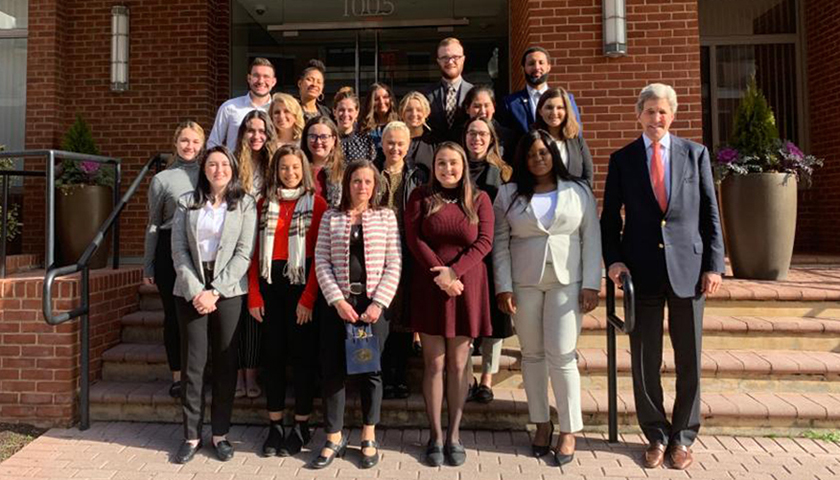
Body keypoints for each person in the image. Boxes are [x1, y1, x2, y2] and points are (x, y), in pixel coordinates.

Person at [600, 83, 725, 471]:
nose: (657, 118)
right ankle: (655, 434)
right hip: (640, 271)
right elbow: (609, 220)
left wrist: (714, 264)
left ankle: (683, 438)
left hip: (689, 270)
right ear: (638, 115)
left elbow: (710, 212)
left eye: (663, 112)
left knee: (689, 357)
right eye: (650, 111)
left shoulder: (695, 154)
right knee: (644, 358)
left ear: (673, 115)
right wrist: (614, 262)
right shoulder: (622, 159)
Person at [492, 129, 601, 467]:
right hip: (524, 283)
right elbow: (500, 244)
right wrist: (503, 286)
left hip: (567, 283)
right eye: (532, 154)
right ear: (523, 160)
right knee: (533, 355)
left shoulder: (578, 190)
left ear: (554, 154)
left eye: (544, 152)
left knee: (563, 355)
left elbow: (591, 238)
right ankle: (541, 422)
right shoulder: (508, 194)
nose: (538, 159)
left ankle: (569, 429)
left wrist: (591, 284)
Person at [404, 142, 494, 467]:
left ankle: (454, 434)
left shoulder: (479, 199)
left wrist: (455, 272)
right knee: (435, 365)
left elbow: (485, 241)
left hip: (466, 288)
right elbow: (414, 239)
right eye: (441, 163)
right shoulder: (420, 197)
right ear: (434, 167)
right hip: (430, 287)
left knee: (459, 365)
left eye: (453, 163)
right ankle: (435, 435)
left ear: (462, 166)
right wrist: (441, 276)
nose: (447, 169)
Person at [170, 145, 257, 464]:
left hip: (229, 290)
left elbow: (245, 253)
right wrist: (197, 290)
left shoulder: (245, 203)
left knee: (225, 363)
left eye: (224, 164)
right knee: (193, 366)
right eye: (212, 164)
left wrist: (215, 291)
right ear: (203, 169)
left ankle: (220, 433)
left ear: (233, 168)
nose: (219, 169)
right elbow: (178, 251)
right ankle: (191, 435)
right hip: (190, 287)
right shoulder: (186, 203)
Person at [313, 160, 402, 470]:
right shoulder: (331, 217)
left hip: (372, 306)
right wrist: (338, 301)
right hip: (339, 305)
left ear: (375, 186)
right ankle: (334, 436)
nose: (362, 187)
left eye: (367, 182)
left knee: (370, 371)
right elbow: (321, 261)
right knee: (333, 370)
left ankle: (368, 433)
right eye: (356, 181)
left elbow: (395, 262)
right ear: (347, 184)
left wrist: (378, 303)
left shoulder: (386, 217)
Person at [248, 145, 327, 458]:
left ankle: (302, 424)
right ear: (275, 171)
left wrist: (308, 298)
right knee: (273, 357)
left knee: (303, 359)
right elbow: (254, 253)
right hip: (269, 286)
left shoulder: (317, 204)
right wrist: (253, 294)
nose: (289, 173)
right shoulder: (262, 204)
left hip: (302, 287)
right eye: (283, 168)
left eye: (295, 168)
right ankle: (275, 425)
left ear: (303, 170)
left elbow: (320, 256)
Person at [143, 121, 205, 400]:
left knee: (199, 314)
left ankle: (201, 373)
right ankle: (178, 376)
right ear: (175, 143)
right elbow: (154, 224)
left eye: (195, 141)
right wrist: (148, 264)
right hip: (169, 249)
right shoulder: (162, 179)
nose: (189, 146)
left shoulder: (208, 173)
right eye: (184, 141)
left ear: (202, 144)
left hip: (202, 249)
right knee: (173, 316)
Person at [460, 116, 513, 404]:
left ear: (491, 138)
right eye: (471, 133)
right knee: (467, 316)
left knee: (495, 319)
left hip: (495, 254)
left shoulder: (503, 173)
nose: (476, 138)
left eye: (482, 134)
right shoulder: (457, 168)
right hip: (466, 254)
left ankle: (487, 380)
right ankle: (467, 377)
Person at [375, 121, 429, 400]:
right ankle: (382, 375)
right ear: (382, 144)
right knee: (383, 315)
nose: (395, 148)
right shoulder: (372, 172)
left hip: (408, 253)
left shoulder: (418, 176)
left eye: (400, 143)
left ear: (408, 147)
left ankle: (400, 375)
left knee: (404, 318)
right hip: (377, 253)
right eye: (390, 142)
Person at [232, 109, 277, 398]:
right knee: (238, 310)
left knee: (257, 313)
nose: (257, 136)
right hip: (237, 242)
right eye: (251, 130)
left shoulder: (275, 164)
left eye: (262, 131)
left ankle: (252, 372)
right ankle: (238, 375)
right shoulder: (234, 164)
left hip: (268, 242)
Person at [499, 46, 580, 137]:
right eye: (531, 63)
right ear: (523, 69)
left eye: (541, 63)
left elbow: (576, 134)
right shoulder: (510, 103)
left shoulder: (566, 99)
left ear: (548, 67)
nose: (537, 67)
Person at [208, 58, 277, 150]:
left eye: (266, 77)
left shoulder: (278, 111)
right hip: (236, 164)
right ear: (249, 78)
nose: (261, 81)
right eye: (256, 76)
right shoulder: (229, 108)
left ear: (273, 81)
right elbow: (214, 143)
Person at [533, 87, 594, 186]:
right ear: (540, 111)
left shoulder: (577, 141)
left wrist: (583, 197)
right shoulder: (531, 141)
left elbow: (588, 176)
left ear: (567, 111)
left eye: (560, 107)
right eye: (549, 107)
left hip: (573, 198)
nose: (554, 112)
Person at [425, 38, 473, 142]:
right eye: (444, 58)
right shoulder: (426, 94)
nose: (450, 62)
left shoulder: (474, 93)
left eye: (455, 57)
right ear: (438, 61)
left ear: (463, 59)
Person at [462, 85, 518, 165]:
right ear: (467, 108)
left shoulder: (507, 137)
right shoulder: (458, 134)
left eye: (486, 105)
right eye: (477, 106)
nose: (482, 111)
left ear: (494, 108)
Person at [301, 116, 345, 208]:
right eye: (313, 136)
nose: (318, 141)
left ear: (333, 140)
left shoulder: (345, 171)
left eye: (324, 137)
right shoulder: (298, 170)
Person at [334, 87, 376, 162]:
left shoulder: (366, 140)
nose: (345, 114)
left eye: (350, 110)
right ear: (334, 112)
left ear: (356, 113)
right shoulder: (328, 139)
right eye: (341, 110)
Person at [399, 91, 436, 172]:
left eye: (419, 110)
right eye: (409, 110)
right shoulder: (395, 139)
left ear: (426, 113)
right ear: (402, 113)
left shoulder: (435, 142)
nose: (414, 114)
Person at [359, 83, 399, 157]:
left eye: (385, 97)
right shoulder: (362, 126)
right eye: (376, 99)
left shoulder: (399, 125)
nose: (381, 102)